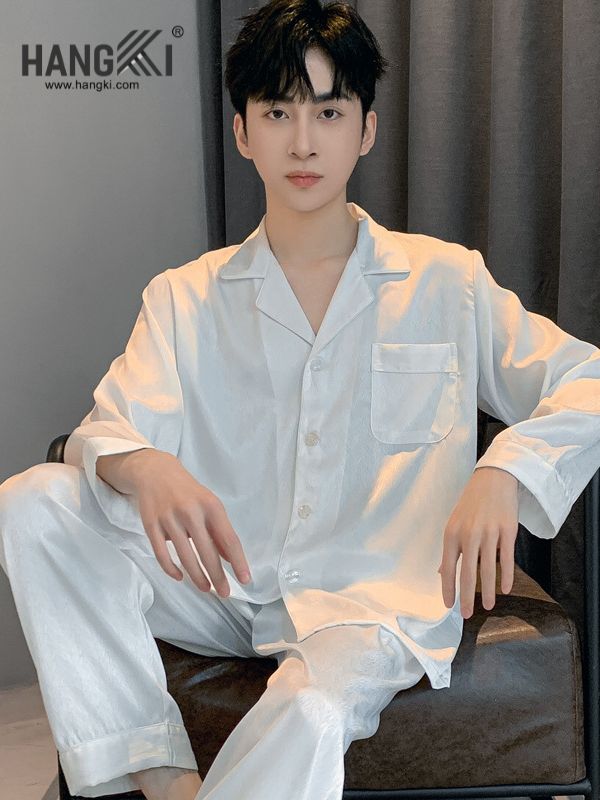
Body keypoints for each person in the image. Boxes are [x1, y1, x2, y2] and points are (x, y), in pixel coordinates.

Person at [2, 0, 600, 798]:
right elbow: (110, 428)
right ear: (243, 132)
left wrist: (506, 471)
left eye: (329, 112)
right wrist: (144, 466)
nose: (304, 141)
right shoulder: (184, 297)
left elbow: (587, 379)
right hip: (224, 582)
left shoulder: (445, 281)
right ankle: (159, 767)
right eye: (278, 112)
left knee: (312, 712)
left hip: (372, 598)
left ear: (367, 130)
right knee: (33, 501)